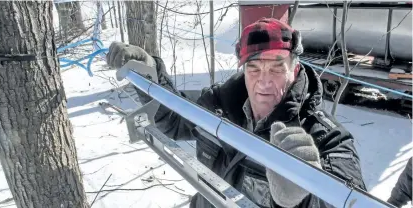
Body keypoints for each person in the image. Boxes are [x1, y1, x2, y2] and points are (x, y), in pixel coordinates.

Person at [106, 18, 366, 208]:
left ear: (295, 70)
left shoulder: (327, 139)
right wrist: (149, 71)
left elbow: (353, 201)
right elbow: (174, 120)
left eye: (276, 68)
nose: (263, 81)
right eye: (254, 69)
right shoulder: (219, 104)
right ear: (243, 71)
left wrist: (306, 196)